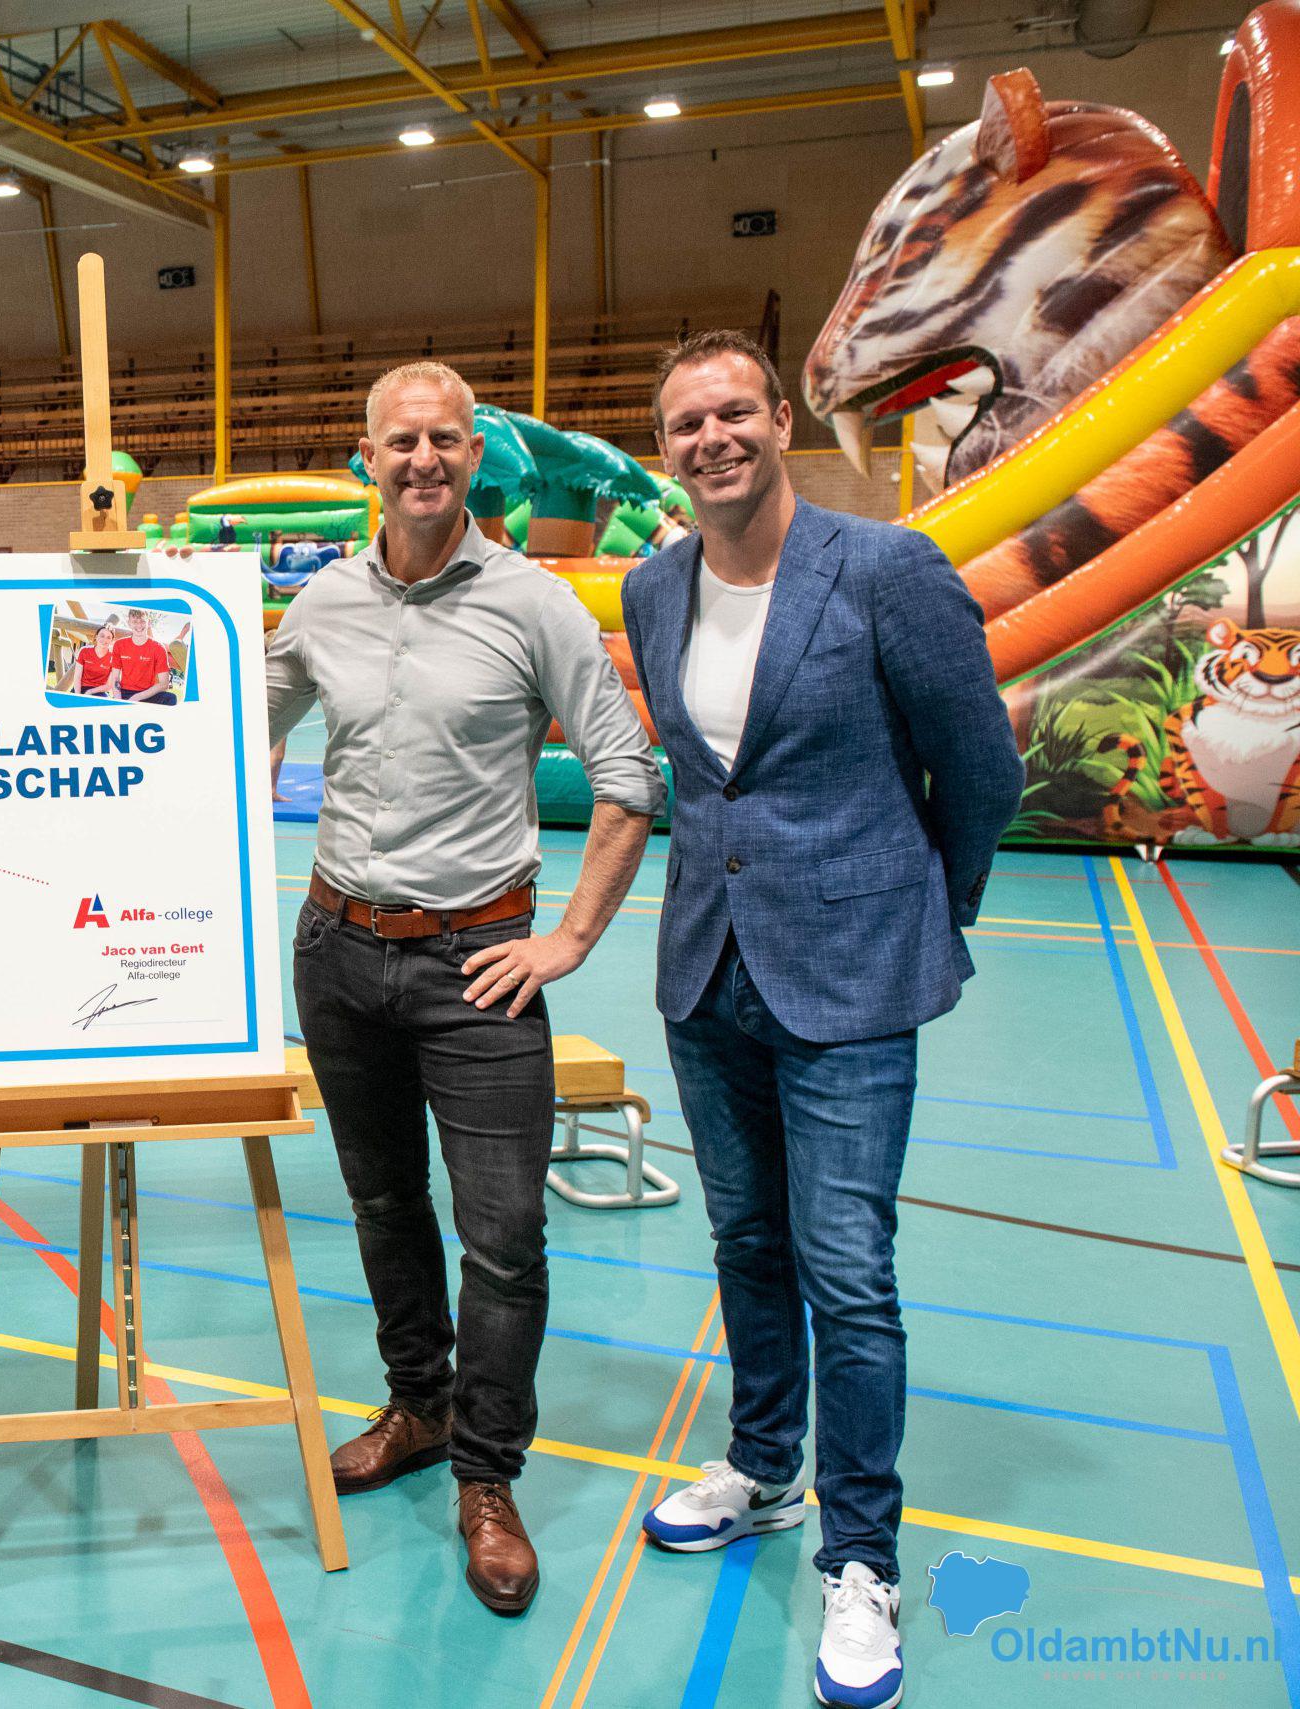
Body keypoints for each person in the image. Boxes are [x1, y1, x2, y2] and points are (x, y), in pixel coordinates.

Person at [623, 331, 1022, 1709]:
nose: (713, 437)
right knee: (745, 1241)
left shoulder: (886, 569)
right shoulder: (653, 586)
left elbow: (980, 767)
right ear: (664, 447)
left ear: (779, 418)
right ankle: (762, 1466)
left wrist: (925, 906)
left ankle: (862, 1558)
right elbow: (702, 783)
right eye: (687, 422)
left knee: (847, 1271)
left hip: (851, 972)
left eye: (734, 411)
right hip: (707, 970)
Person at [267, 361, 663, 1615]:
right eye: (402, 441)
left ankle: (486, 1473)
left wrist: (568, 939)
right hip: (336, 952)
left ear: (474, 455)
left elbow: (626, 773)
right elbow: (224, 726)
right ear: (368, 457)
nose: (424, 459)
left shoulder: (535, 603)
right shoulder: (323, 601)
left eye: (445, 439)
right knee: (384, 1203)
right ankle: (418, 1405)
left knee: (504, 1237)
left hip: (476, 969)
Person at [111, 608, 179, 705]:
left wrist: (137, 697)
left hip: (147, 694)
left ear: (149, 623)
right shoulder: (119, 645)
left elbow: (164, 684)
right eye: (135, 622)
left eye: (142, 621)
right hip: (125, 692)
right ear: (129, 623)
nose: (139, 625)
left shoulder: (158, 648)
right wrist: (119, 700)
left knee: (170, 698)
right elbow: (115, 678)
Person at [66, 620, 121, 697]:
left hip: (100, 690)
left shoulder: (114, 658)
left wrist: (90, 691)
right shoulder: (84, 651)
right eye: (102, 636)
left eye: (108, 638)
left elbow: (109, 685)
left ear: (112, 641)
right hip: (80, 688)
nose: (104, 640)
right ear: (96, 637)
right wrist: (78, 695)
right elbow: (77, 677)